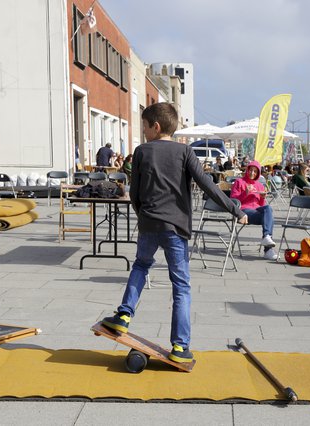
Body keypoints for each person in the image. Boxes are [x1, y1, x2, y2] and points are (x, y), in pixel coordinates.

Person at [101, 103, 248, 364]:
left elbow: (134, 193)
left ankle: (123, 316)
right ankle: (180, 346)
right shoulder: (185, 152)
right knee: (181, 285)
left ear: (156, 127)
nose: (144, 131)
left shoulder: (142, 151)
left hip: (149, 224)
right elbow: (207, 185)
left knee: (140, 266)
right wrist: (235, 209)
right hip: (175, 228)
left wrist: (143, 215)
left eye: (145, 126)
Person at [230, 160, 278, 260]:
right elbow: (233, 201)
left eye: (255, 171)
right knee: (269, 219)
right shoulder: (239, 182)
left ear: (258, 173)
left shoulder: (260, 185)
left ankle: (266, 238)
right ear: (247, 170)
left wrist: (263, 197)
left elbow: (261, 205)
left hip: (256, 211)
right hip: (244, 212)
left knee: (268, 209)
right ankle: (268, 250)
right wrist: (245, 193)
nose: (252, 173)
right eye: (251, 170)